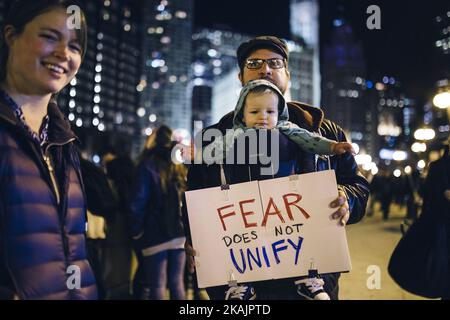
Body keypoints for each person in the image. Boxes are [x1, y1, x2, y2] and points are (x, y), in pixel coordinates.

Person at [183, 36, 369, 300]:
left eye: (274, 62)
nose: (265, 69)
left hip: (311, 285)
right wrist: (194, 236)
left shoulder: (324, 132)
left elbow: (358, 186)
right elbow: (193, 196)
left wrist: (347, 199)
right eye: (254, 63)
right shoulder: (214, 138)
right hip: (239, 288)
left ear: (287, 76)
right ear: (240, 76)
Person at [0, 0, 97, 299]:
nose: (63, 54)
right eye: (50, 37)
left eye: (75, 46)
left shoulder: (63, 141)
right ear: (11, 36)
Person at [203, 79, 355, 162]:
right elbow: (217, 149)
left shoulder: (286, 128)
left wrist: (332, 146)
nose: (263, 116)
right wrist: (198, 154)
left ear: (280, 113)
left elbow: (310, 140)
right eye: (255, 111)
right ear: (242, 115)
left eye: (270, 111)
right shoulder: (237, 132)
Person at [130, 125, 187, 300]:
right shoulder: (177, 165)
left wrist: (137, 231)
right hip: (178, 232)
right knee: (177, 282)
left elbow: (137, 203)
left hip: (154, 233)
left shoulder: (147, 165)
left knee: (157, 284)